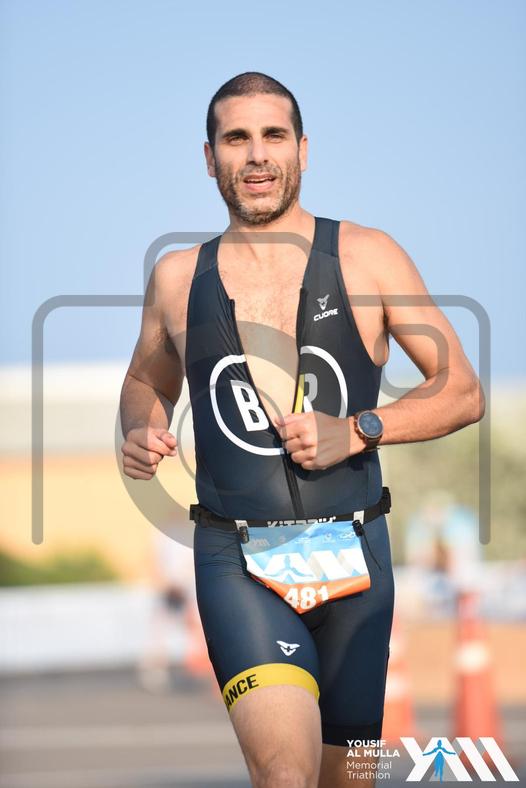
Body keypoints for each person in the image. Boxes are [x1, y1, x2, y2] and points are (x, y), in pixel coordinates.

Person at [119, 72, 485, 788]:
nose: (257, 155)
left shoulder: (367, 256)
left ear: (303, 150)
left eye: (273, 136)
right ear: (210, 158)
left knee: (348, 777)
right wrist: (141, 426)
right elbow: (145, 381)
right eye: (236, 138)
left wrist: (361, 429)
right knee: (285, 774)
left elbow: (462, 390)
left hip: (357, 558)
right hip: (237, 559)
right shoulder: (177, 278)